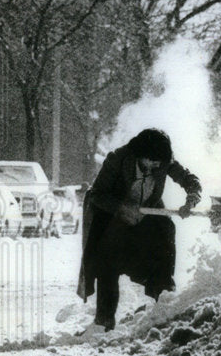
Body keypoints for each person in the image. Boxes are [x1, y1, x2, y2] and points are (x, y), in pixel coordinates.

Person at [77, 128, 202, 331]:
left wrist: (192, 199)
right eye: (152, 161)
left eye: (160, 163)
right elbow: (98, 195)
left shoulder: (163, 160)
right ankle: (104, 321)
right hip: (113, 218)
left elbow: (189, 179)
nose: (156, 166)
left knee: (165, 233)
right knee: (108, 264)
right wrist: (122, 207)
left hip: (146, 217)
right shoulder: (117, 159)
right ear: (140, 155)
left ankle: (164, 306)